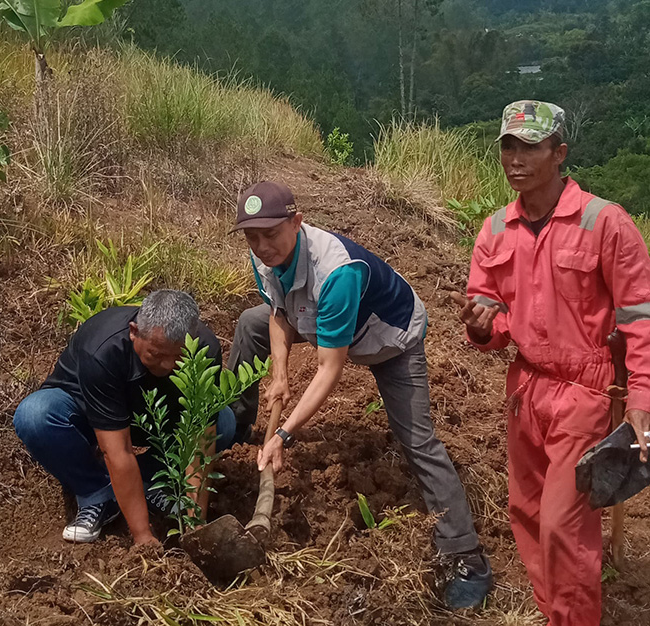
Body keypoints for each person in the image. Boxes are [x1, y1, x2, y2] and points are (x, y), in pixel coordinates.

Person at [227, 181, 492, 609]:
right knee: (250, 323)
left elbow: (330, 369)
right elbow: (278, 312)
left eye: (271, 234)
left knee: (417, 441)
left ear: (297, 223)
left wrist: (285, 435)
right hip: (313, 316)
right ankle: (234, 429)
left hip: (389, 338)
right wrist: (279, 374)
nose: (261, 246)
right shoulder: (265, 256)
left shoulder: (337, 271)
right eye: (251, 237)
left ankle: (464, 553)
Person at [453, 100, 650, 626]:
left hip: (586, 393)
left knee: (565, 526)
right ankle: (555, 610)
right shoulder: (495, 231)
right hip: (526, 390)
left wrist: (642, 399)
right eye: (508, 146)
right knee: (528, 513)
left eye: (531, 147)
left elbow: (639, 318)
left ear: (559, 153)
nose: (515, 158)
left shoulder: (604, 224)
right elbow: (491, 320)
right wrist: (480, 325)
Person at [13, 290, 235, 547]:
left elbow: (200, 441)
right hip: (88, 415)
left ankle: (148, 481)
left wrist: (196, 524)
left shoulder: (204, 350)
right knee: (35, 415)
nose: (168, 366)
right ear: (134, 331)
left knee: (224, 422)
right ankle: (97, 493)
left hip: (152, 416)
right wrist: (143, 537)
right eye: (157, 354)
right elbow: (117, 450)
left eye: (179, 356)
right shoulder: (102, 349)